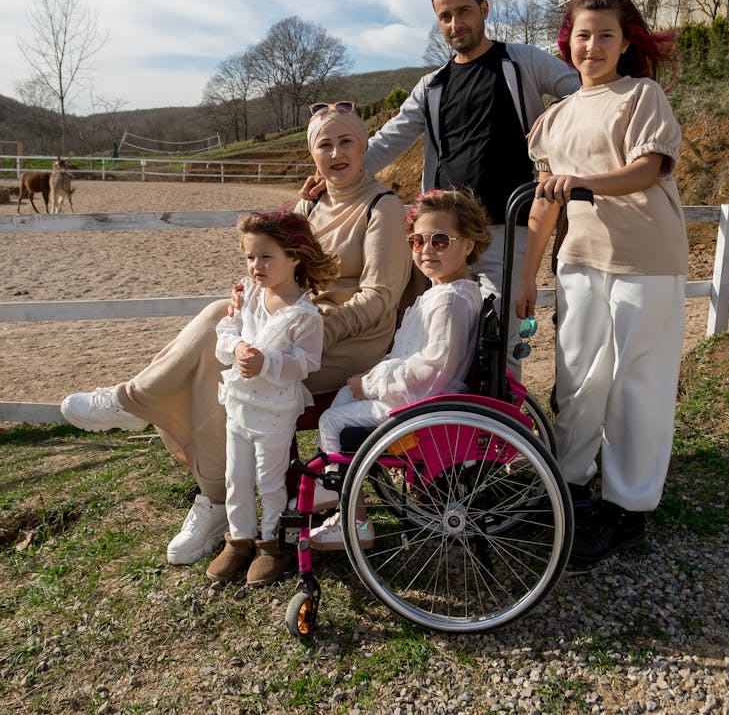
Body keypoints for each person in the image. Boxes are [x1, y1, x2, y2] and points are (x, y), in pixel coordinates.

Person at [61, 106, 412, 567]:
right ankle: (212, 493)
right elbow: (284, 267)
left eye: (346, 141)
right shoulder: (309, 204)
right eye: (324, 144)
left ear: (365, 146)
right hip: (292, 323)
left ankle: (165, 439)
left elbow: (380, 298)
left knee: (220, 356)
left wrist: (309, 330)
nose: (336, 153)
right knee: (220, 329)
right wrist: (252, 301)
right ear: (312, 153)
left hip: (345, 341)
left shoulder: (381, 207)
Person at [514, 0, 688, 568]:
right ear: (568, 43)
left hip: (646, 258)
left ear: (623, 42)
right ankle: (569, 485)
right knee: (579, 377)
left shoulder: (641, 97)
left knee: (639, 380)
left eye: (604, 36)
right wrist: (526, 275)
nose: (592, 46)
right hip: (581, 259)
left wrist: (584, 184)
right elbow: (544, 202)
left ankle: (627, 508)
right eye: (582, 36)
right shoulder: (554, 119)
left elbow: (645, 170)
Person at [356, 0, 580, 371]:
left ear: (484, 10)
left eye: (463, 11)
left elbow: (581, 90)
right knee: (446, 339)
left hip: (508, 231)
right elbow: (389, 140)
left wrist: (551, 118)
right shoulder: (433, 86)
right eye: (445, 17)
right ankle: (454, 429)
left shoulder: (521, 61)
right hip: (445, 239)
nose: (455, 24)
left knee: (502, 339)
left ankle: (499, 427)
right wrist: (333, 173)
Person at [309, 188, 491, 550]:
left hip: (425, 407)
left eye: (440, 241)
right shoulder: (451, 292)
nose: (426, 250)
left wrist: (372, 384)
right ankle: (334, 489)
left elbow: (432, 370)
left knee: (332, 421)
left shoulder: (450, 301)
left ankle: (352, 516)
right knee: (344, 396)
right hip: (424, 397)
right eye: (417, 240)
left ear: (468, 244)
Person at [206, 209, 339, 586]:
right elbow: (227, 327)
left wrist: (266, 362)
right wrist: (235, 349)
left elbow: (306, 362)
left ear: (294, 256)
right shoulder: (247, 294)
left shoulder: (305, 315)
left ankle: (272, 542)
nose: (256, 265)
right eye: (250, 257)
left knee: (269, 478)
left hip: (276, 410)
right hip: (239, 404)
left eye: (266, 256)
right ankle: (240, 537)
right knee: (237, 475)